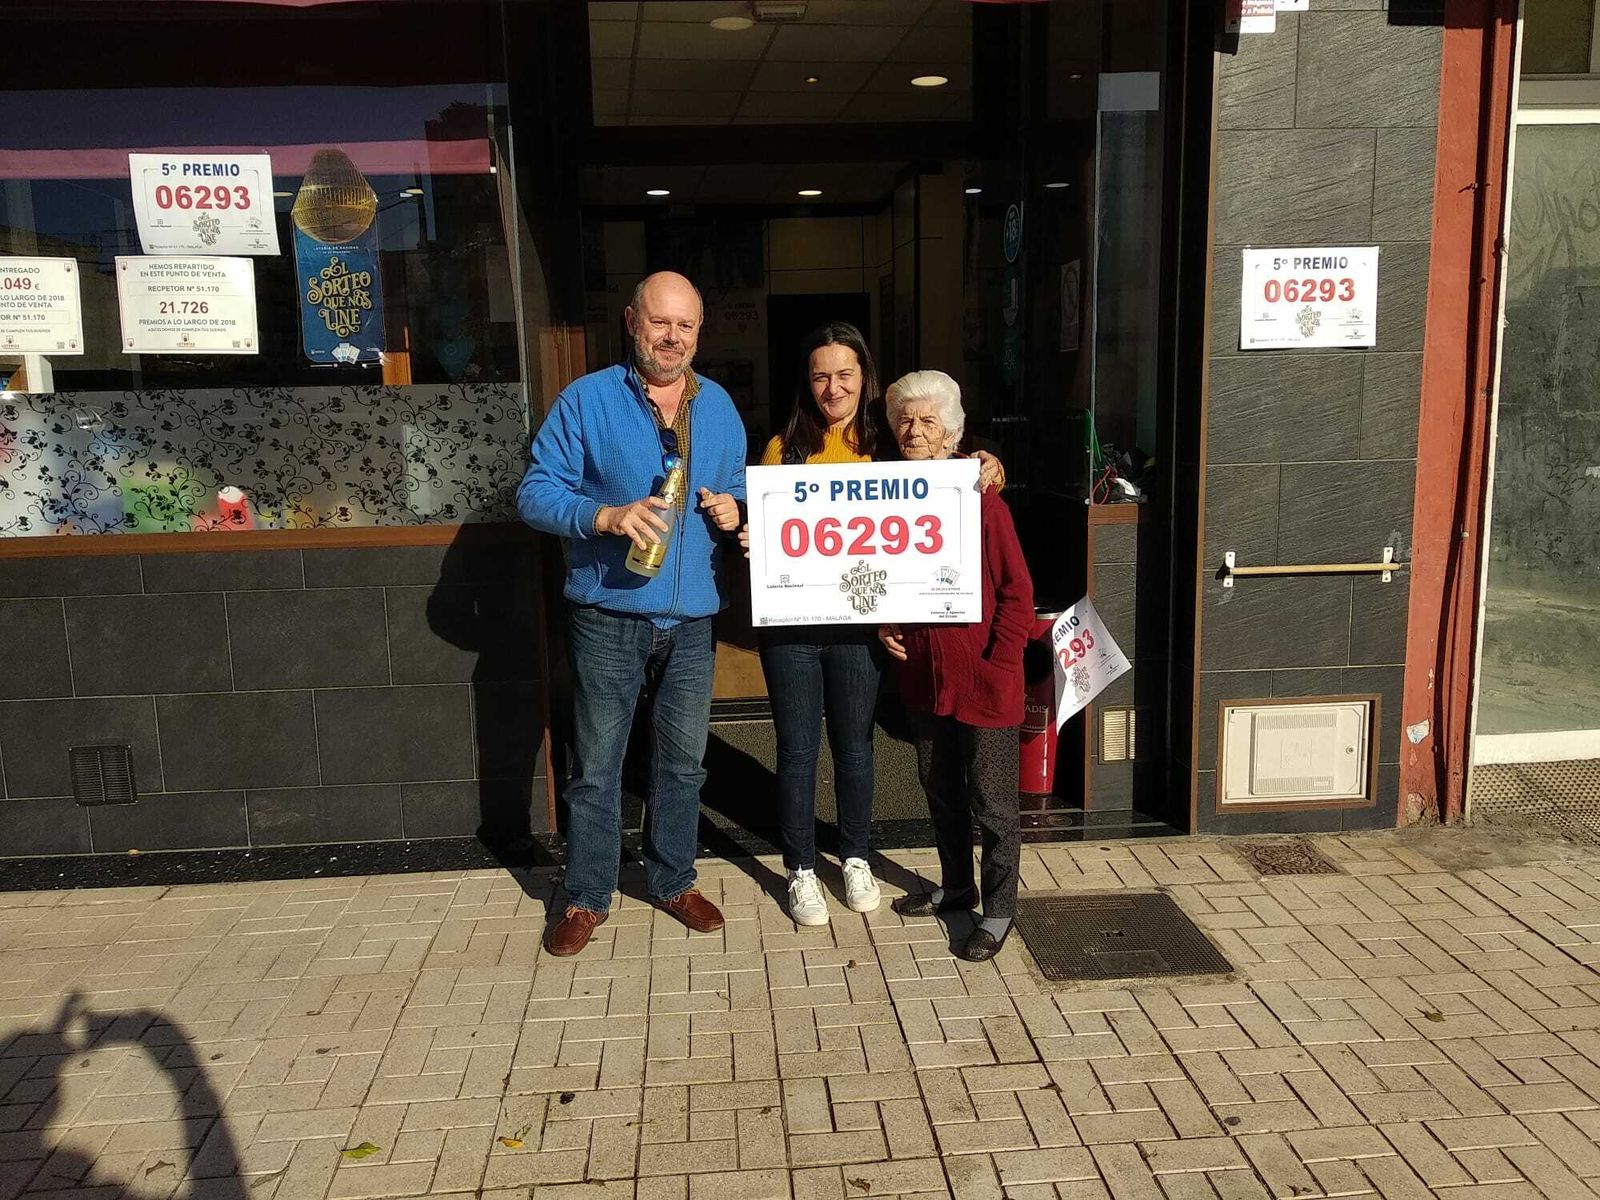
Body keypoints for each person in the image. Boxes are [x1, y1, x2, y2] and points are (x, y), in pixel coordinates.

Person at [518, 271, 746, 957]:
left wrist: (736, 510)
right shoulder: (586, 401)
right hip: (609, 616)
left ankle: (673, 878)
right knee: (597, 765)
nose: (672, 337)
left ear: (698, 332)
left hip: (692, 619)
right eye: (660, 322)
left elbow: (735, 486)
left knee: (682, 764)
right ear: (631, 322)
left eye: (685, 325)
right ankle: (587, 895)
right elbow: (534, 493)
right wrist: (603, 515)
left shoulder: (721, 407)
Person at [748, 323, 1003, 928]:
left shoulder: (889, 447)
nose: (832, 386)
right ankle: (801, 869)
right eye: (820, 375)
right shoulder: (783, 450)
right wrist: (752, 536)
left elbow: (945, 472)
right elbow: (765, 533)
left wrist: (987, 463)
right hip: (793, 626)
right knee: (797, 748)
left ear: (866, 378)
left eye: (844, 374)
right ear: (806, 383)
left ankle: (856, 856)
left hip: (862, 628)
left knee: (856, 748)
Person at [878, 370, 1034, 963]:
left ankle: (998, 910)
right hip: (926, 676)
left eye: (926, 422)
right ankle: (957, 886)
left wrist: (1001, 662)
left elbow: (1018, 592)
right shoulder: (893, 490)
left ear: (951, 433)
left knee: (992, 802)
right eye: (904, 422)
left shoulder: (979, 497)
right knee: (939, 792)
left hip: (986, 679)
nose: (914, 431)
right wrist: (883, 620)